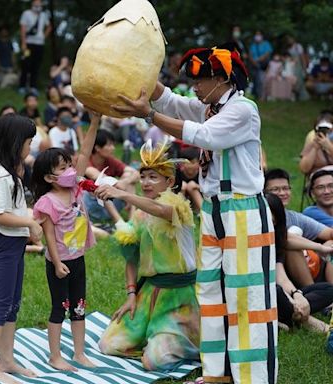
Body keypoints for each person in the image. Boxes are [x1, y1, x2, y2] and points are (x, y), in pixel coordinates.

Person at [113, 44, 277, 383]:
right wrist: (143, 76)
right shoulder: (211, 107)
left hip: (243, 211)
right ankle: (217, 373)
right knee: (211, 293)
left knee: (246, 296)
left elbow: (205, 137)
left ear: (220, 79)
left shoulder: (242, 109)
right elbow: (172, 101)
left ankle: (253, 377)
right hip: (214, 209)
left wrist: (149, 116)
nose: (195, 88)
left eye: (199, 81)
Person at [96, 139, 200, 371]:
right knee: (108, 345)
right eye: (143, 177)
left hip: (180, 299)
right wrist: (132, 294)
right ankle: (154, 338)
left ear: (170, 181)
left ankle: (174, 340)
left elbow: (161, 211)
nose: (145, 182)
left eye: (153, 177)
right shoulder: (140, 214)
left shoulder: (179, 208)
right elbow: (131, 257)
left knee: (154, 362)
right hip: (148, 294)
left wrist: (122, 194)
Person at [31, 111, 100, 371]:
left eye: (70, 166)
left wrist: (94, 122)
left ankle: (80, 353)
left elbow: (84, 153)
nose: (71, 170)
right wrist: (57, 263)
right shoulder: (47, 202)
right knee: (59, 309)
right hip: (60, 264)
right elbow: (48, 236)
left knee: (79, 308)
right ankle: (55, 356)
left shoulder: (75, 188)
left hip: (78, 259)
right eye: (64, 168)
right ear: (50, 178)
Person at [0, 114, 42, 382]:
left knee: (13, 303)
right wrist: (28, 222)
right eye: (29, 141)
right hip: (1, 244)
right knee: (2, 303)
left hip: (14, 244)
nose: (30, 147)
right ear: (16, 142)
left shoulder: (12, 174)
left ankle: (6, 360)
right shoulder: (0, 176)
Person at [266, 194, 333, 332]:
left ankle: (288, 317)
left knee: (328, 289)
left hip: (285, 292)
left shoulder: (275, 239)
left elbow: (281, 277)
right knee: (275, 291)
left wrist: (297, 295)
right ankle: (315, 325)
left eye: (271, 220)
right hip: (262, 294)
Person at [83, 129, 139, 223]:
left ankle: (132, 220)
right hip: (89, 207)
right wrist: (118, 183)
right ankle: (119, 223)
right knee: (102, 185)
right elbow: (97, 176)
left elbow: (136, 174)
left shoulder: (110, 160)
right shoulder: (85, 160)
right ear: (97, 148)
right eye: (109, 145)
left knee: (128, 176)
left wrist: (125, 182)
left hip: (109, 205)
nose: (113, 148)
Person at [18, 0, 52, 95]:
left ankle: (33, 87)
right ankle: (22, 86)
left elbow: (49, 27)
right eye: (35, 5)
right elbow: (23, 28)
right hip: (28, 43)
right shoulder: (26, 14)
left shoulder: (43, 15)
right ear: (32, 5)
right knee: (25, 64)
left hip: (39, 44)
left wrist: (43, 36)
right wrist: (23, 43)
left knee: (36, 66)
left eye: (39, 5)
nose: (37, 7)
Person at [249, 30, 273, 99]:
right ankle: (258, 95)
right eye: (256, 35)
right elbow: (250, 55)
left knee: (263, 81)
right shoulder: (253, 45)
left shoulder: (266, 44)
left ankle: (264, 96)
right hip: (255, 66)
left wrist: (259, 60)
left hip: (264, 66)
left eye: (259, 34)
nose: (257, 36)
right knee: (257, 81)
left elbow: (267, 53)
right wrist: (254, 62)